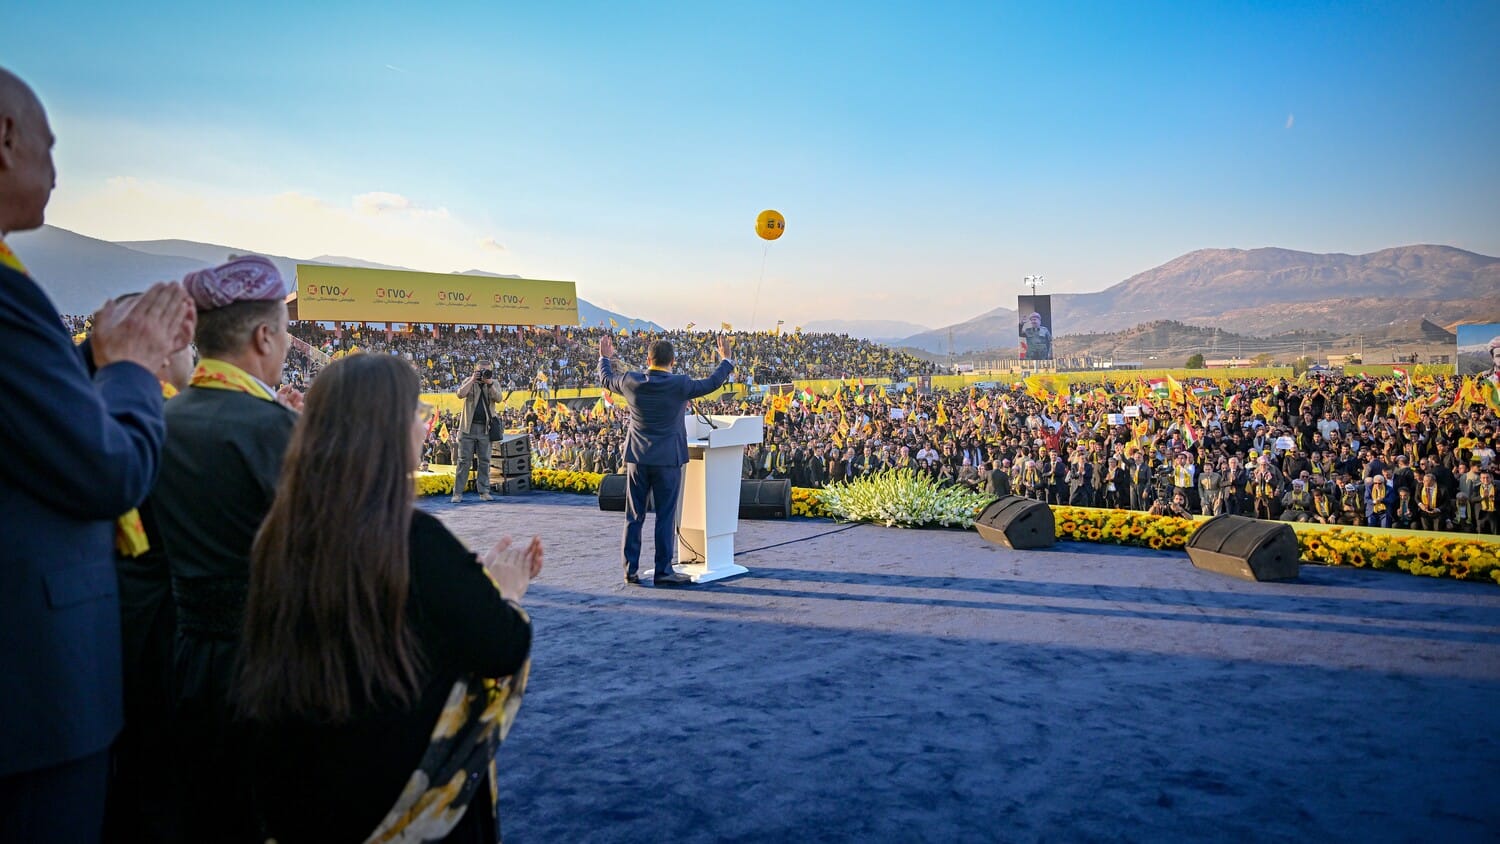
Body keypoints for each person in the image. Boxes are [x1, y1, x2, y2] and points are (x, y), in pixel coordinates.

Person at [0, 67, 196, 844]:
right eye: (51, 145)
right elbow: (107, 470)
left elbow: (28, 418)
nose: (58, 169)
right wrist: (131, 369)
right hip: (37, 699)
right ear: (6, 138)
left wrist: (91, 359)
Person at [238, 354, 538, 842]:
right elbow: (501, 645)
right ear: (384, 431)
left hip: (305, 792)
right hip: (395, 786)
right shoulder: (414, 539)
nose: (424, 425)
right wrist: (503, 590)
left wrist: (462, 581)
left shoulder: (279, 532)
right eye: (415, 413)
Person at [148, 256, 299, 840]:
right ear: (264, 336)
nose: (286, 346)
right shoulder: (274, 431)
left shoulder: (159, 420)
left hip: (184, 662)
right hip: (271, 666)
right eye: (284, 334)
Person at [599, 333, 733, 586]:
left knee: (634, 516)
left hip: (637, 459)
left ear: (648, 359)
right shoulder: (680, 384)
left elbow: (606, 379)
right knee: (665, 516)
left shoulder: (630, 381)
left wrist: (604, 357)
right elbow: (712, 383)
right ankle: (663, 571)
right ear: (673, 360)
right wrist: (726, 360)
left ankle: (630, 571)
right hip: (668, 460)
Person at [452, 360, 501, 503]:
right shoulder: (469, 381)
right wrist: (473, 380)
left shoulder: (493, 383)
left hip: (485, 428)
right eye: (481, 371)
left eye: (487, 370)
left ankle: (484, 492)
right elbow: (460, 394)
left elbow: (498, 398)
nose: (484, 373)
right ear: (475, 370)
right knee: (463, 461)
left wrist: (489, 383)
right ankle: (458, 493)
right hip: (468, 428)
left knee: (485, 461)